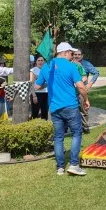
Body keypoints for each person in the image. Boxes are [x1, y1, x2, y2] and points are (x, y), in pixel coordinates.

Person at [35, 42, 90, 176]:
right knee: (77, 133)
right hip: (70, 106)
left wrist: (49, 83)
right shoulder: (71, 67)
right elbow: (81, 87)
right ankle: (74, 164)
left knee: (58, 137)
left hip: (54, 107)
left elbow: (37, 87)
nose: (73, 56)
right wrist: (86, 100)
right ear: (65, 53)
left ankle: (60, 167)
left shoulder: (47, 66)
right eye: (71, 53)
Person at [72, 55, 89, 133]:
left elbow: (84, 77)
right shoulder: (63, 66)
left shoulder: (77, 65)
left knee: (83, 110)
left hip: (79, 92)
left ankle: (85, 127)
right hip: (69, 93)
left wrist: (78, 82)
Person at [30, 55, 48, 120]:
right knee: (35, 113)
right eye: (39, 60)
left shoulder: (47, 70)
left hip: (46, 93)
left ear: (44, 62)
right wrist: (34, 96)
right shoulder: (33, 70)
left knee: (45, 113)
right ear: (36, 62)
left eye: (42, 60)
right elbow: (31, 84)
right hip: (36, 94)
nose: (40, 62)